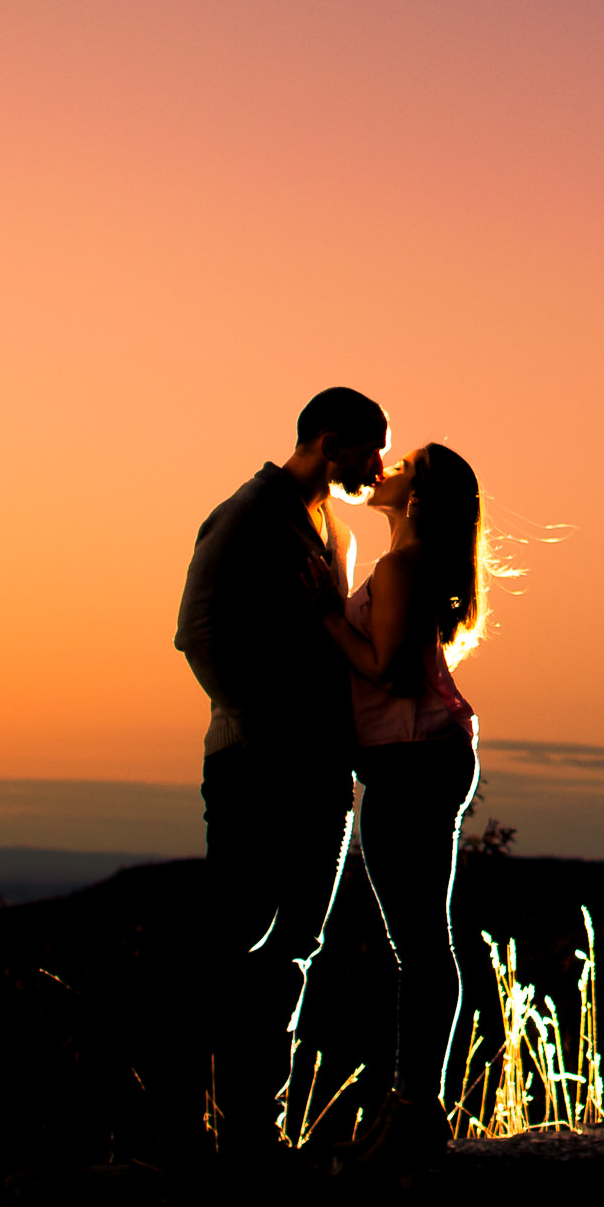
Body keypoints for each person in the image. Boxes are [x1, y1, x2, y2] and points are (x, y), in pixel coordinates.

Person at [176, 386, 389, 1157]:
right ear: (329, 440)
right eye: (372, 450)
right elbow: (196, 630)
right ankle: (217, 1129)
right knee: (242, 939)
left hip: (323, 774)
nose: (379, 467)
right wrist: (262, 730)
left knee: (296, 945)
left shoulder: (334, 530)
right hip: (255, 767)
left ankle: (255, 1130)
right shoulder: (248, 514)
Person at [320, 439, 489, 1162]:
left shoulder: (401, 567)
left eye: (402, 464)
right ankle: (416, 1109)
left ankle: (415, 1114)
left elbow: (387, 674)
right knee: (424, 947)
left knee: (419, 948)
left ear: (415, 495)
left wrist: (325, 619)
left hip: (412, 761)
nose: (383, 470)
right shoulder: (412, 565)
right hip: (429, 755)